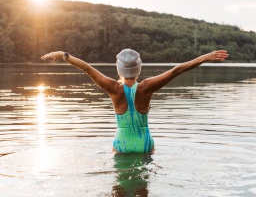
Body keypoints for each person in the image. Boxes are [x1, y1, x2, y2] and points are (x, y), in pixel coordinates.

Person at [41, 49, 228, 154]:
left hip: (121, 144)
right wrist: (204, 57)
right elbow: (176, 70)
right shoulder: (146, 87)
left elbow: (87, 69)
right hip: (144, 144)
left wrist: (66, 55)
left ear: (118, 68)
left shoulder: (113, 88)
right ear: (139, 68)